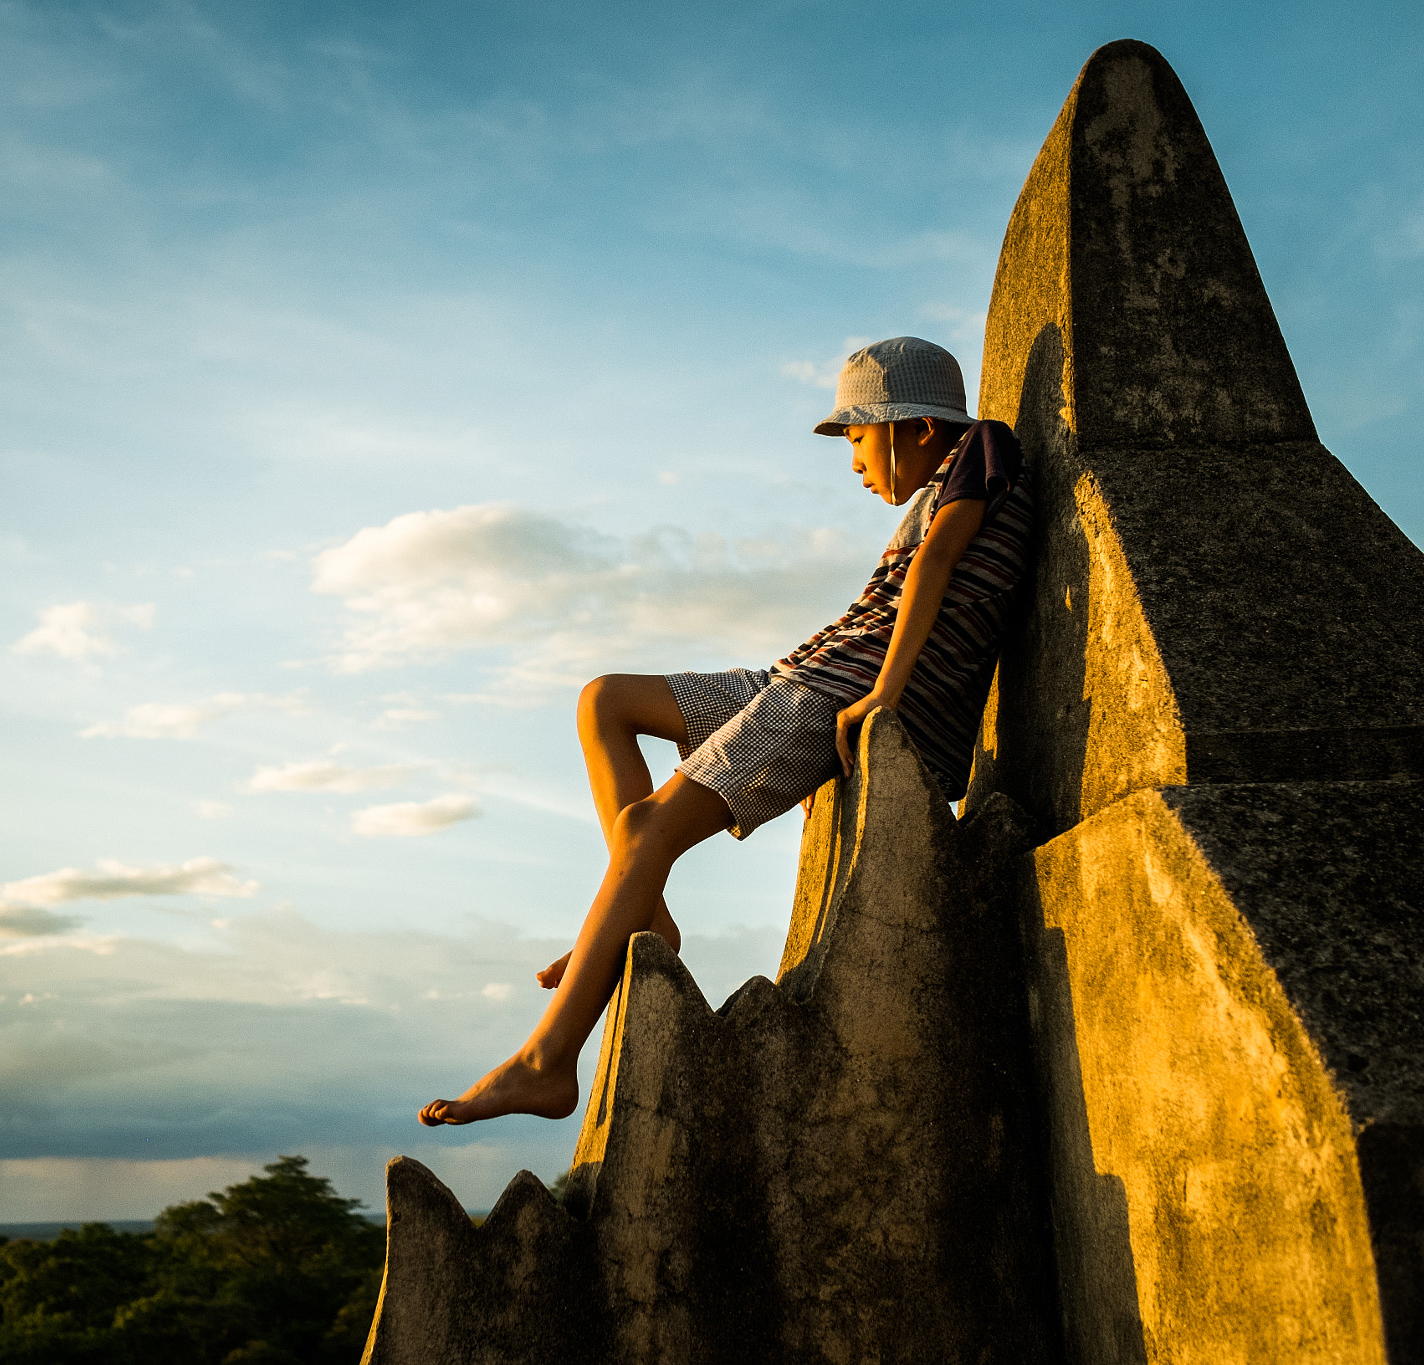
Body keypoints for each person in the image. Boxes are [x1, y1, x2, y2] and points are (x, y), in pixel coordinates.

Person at [418, 337, 1033, 1127]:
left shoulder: (984, 446)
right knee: (605, 700)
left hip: (832, 691)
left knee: (647, 829)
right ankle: (645, 911)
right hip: (799, 678)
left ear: (917, 426)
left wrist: (882, 696)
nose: (853, 462)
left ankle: (547, 1062)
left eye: (856, 436)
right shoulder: (955, 479)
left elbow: (935, 565)